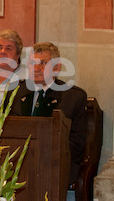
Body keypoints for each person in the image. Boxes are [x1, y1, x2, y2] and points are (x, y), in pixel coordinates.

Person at [10, 42, 88, 185]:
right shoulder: (16, 92)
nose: (37, 68)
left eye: (43, 63)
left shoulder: (72, 97)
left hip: (54, 164)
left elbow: (77, 143)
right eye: (33, 63)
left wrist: (44, 155)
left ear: (56, 68)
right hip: (20, 163)